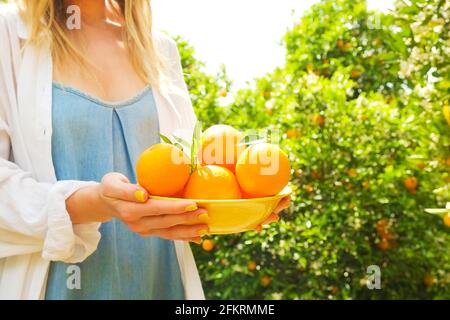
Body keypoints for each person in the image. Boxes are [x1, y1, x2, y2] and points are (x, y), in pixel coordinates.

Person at [0, 0, 290, 299]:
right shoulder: (8, 33)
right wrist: (94, 202)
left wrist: (242, 205)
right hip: (58, 286)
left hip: (160, 282)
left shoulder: (159, 48)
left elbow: (189, 177)